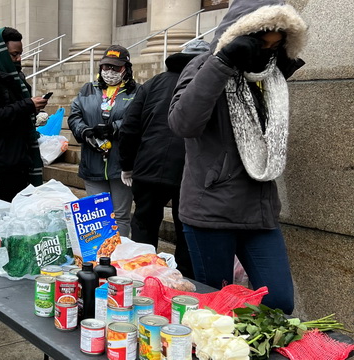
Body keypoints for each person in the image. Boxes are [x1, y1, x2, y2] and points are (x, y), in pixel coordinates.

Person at [168, 0, 307, 314]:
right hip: (211, 212)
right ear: (240, 34)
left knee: (279, 302)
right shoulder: (204, 65)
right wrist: (223, 63)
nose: (266, 52)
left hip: (260, 211)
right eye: (260, 44)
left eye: (275, 47)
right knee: (217, 307)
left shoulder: (269, 78)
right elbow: (182, 123)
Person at [119, 40, 210, 279]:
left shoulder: (154, 83)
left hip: (149, 165)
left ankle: (141, 278)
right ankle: (187, 283)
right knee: (187, 230)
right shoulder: (210, 82)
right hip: (190, 170)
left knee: (144, 226)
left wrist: (127, 165)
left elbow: (129, 128)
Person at [0, 27, 49, 201]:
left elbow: (14, 110)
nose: (19, 59)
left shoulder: (14, 77)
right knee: (1, 220)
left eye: (20, 54)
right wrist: (27, 105)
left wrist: (32, 108)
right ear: (0, 53)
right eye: (14, 55)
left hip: (17, 161)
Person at [68, 45, 140, 237]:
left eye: (115, 67)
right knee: (96, 216)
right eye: (105, 66)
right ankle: (100, 255)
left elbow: (139, 119)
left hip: (121, 167)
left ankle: (120, 257)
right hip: (93, 164)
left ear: (126, 68)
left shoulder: (136, 92)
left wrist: (114, 128)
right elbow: (74, 116)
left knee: (121, 215)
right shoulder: (88, 89)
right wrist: (86, 132)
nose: (109, 71)